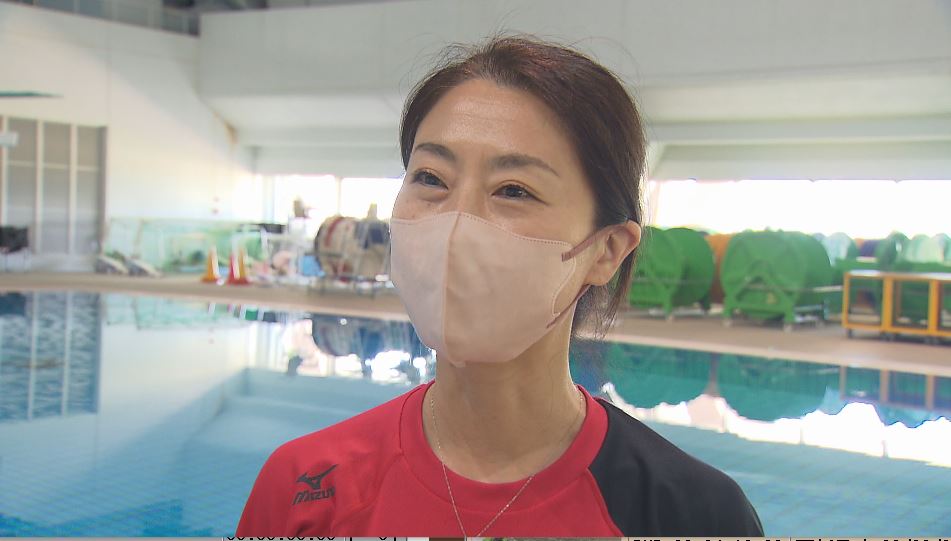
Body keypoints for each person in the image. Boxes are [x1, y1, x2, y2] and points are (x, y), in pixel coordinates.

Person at [236, 35, 764, 537]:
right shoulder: (302, 489)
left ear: (606, 250)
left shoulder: (694, 514)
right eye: (431, 179)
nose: (456, 225)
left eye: (513, 190)